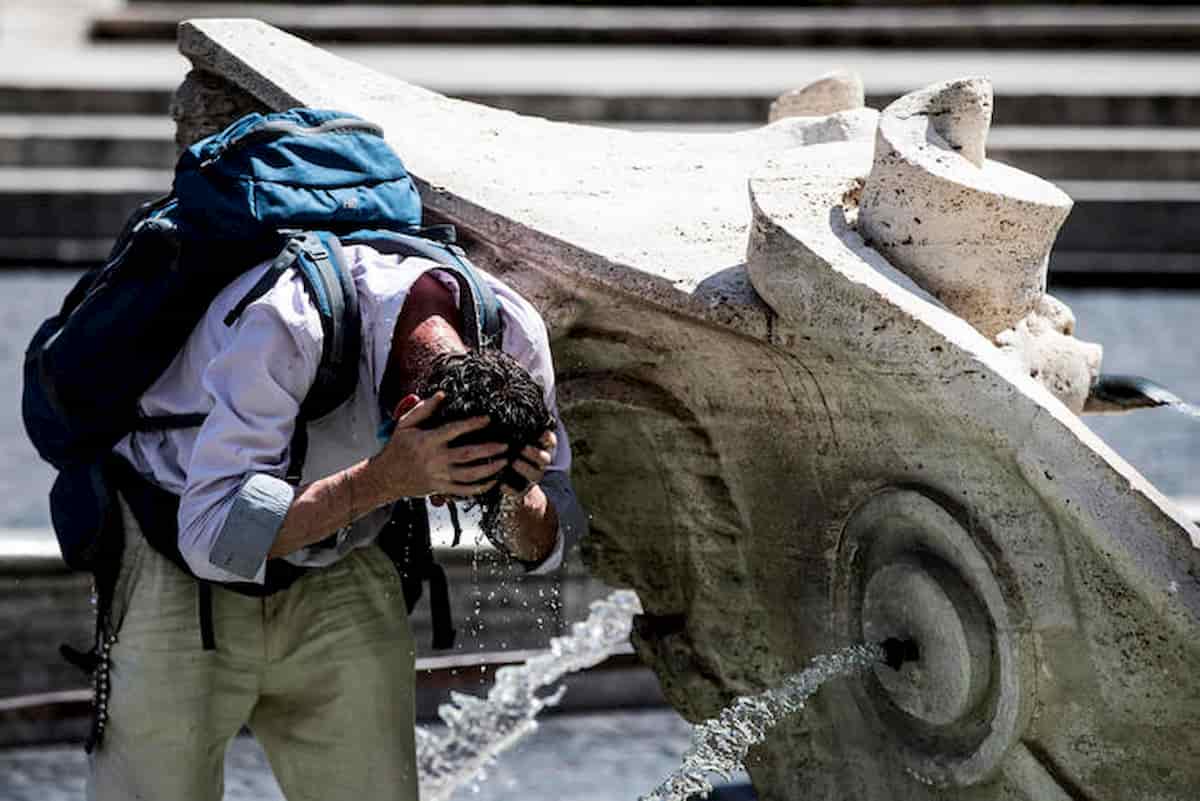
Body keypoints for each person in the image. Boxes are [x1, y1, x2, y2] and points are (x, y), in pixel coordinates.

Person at [90, 241, 587, 801]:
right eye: (442, 493)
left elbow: (550, 542)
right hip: (176, 559)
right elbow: (210, 537)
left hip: (343, 556)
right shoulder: (286, 322)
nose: (444, 505)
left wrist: (516, 498)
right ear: (402, 418)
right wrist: (385, 481)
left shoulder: (515, 336)